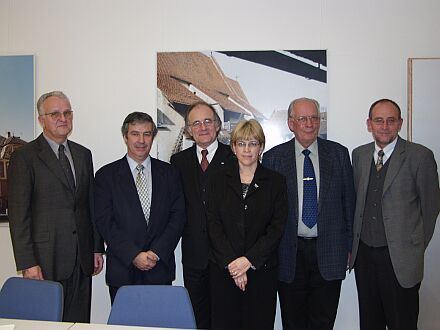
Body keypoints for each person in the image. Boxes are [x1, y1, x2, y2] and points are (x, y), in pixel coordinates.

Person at [7, 91, 104, 323]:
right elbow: (19, 215)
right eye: (55, 114)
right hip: (45, 258)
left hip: (82, 258)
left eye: (67, 113)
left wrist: (96, 248)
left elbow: (90, 205)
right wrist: (27, 263)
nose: (63, 118)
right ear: (41, 119)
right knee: (46, 323)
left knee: (78, 321)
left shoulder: (83, 154)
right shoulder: (24, 157)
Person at [263, 97, 355, 330]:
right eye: (302, 118)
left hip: (330, 251)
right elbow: (266, 214)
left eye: (314, 118)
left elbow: (349, 204)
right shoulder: (273, 158)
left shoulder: (338, 154)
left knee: (323, 322)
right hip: (288, 253)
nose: (309, 123)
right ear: (291, 123)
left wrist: (350, 248)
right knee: (292, 322)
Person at [350, 98, 440, 330]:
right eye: (379, 121)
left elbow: (431, 208)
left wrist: (414, 246)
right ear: (369, 124)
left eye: (391, 121)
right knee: (370, 322)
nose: (385, 126)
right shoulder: (359, 155)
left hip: (400, 260)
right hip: (365, 257)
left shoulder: (420, 156)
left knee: (403, 322)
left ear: (400, 123)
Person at [94, 112, 186, 303]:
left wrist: (156, 253)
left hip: (159, 268)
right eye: (135, 133)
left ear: (153, 136)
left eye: (147, 134)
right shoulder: (106, 176)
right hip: (123, 269)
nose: (141, 140)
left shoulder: (170, 174)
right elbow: (105, 222)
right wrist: (133, 255)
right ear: (125, 137)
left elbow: (178, 218)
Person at [207, 119, 287, 330]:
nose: (247, 149)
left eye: (253, 143)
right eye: (241, 143)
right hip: (225, 272)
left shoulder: (276, 182)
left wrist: (248, 260)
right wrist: (234, 265)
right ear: (233, 147)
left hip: (261, 272)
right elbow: (213, 225)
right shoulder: (216, 180)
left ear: (261, 147)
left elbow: (277, 227)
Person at [170, 101, 234, 329]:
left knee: (225, 318)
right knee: (197, 318)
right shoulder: (178, 162)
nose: (203, 127)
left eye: (208, 121)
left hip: (227, 256)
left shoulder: (235, 158)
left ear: (217, 125)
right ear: (188, 130)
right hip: (194, 256)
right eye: (196, 123)